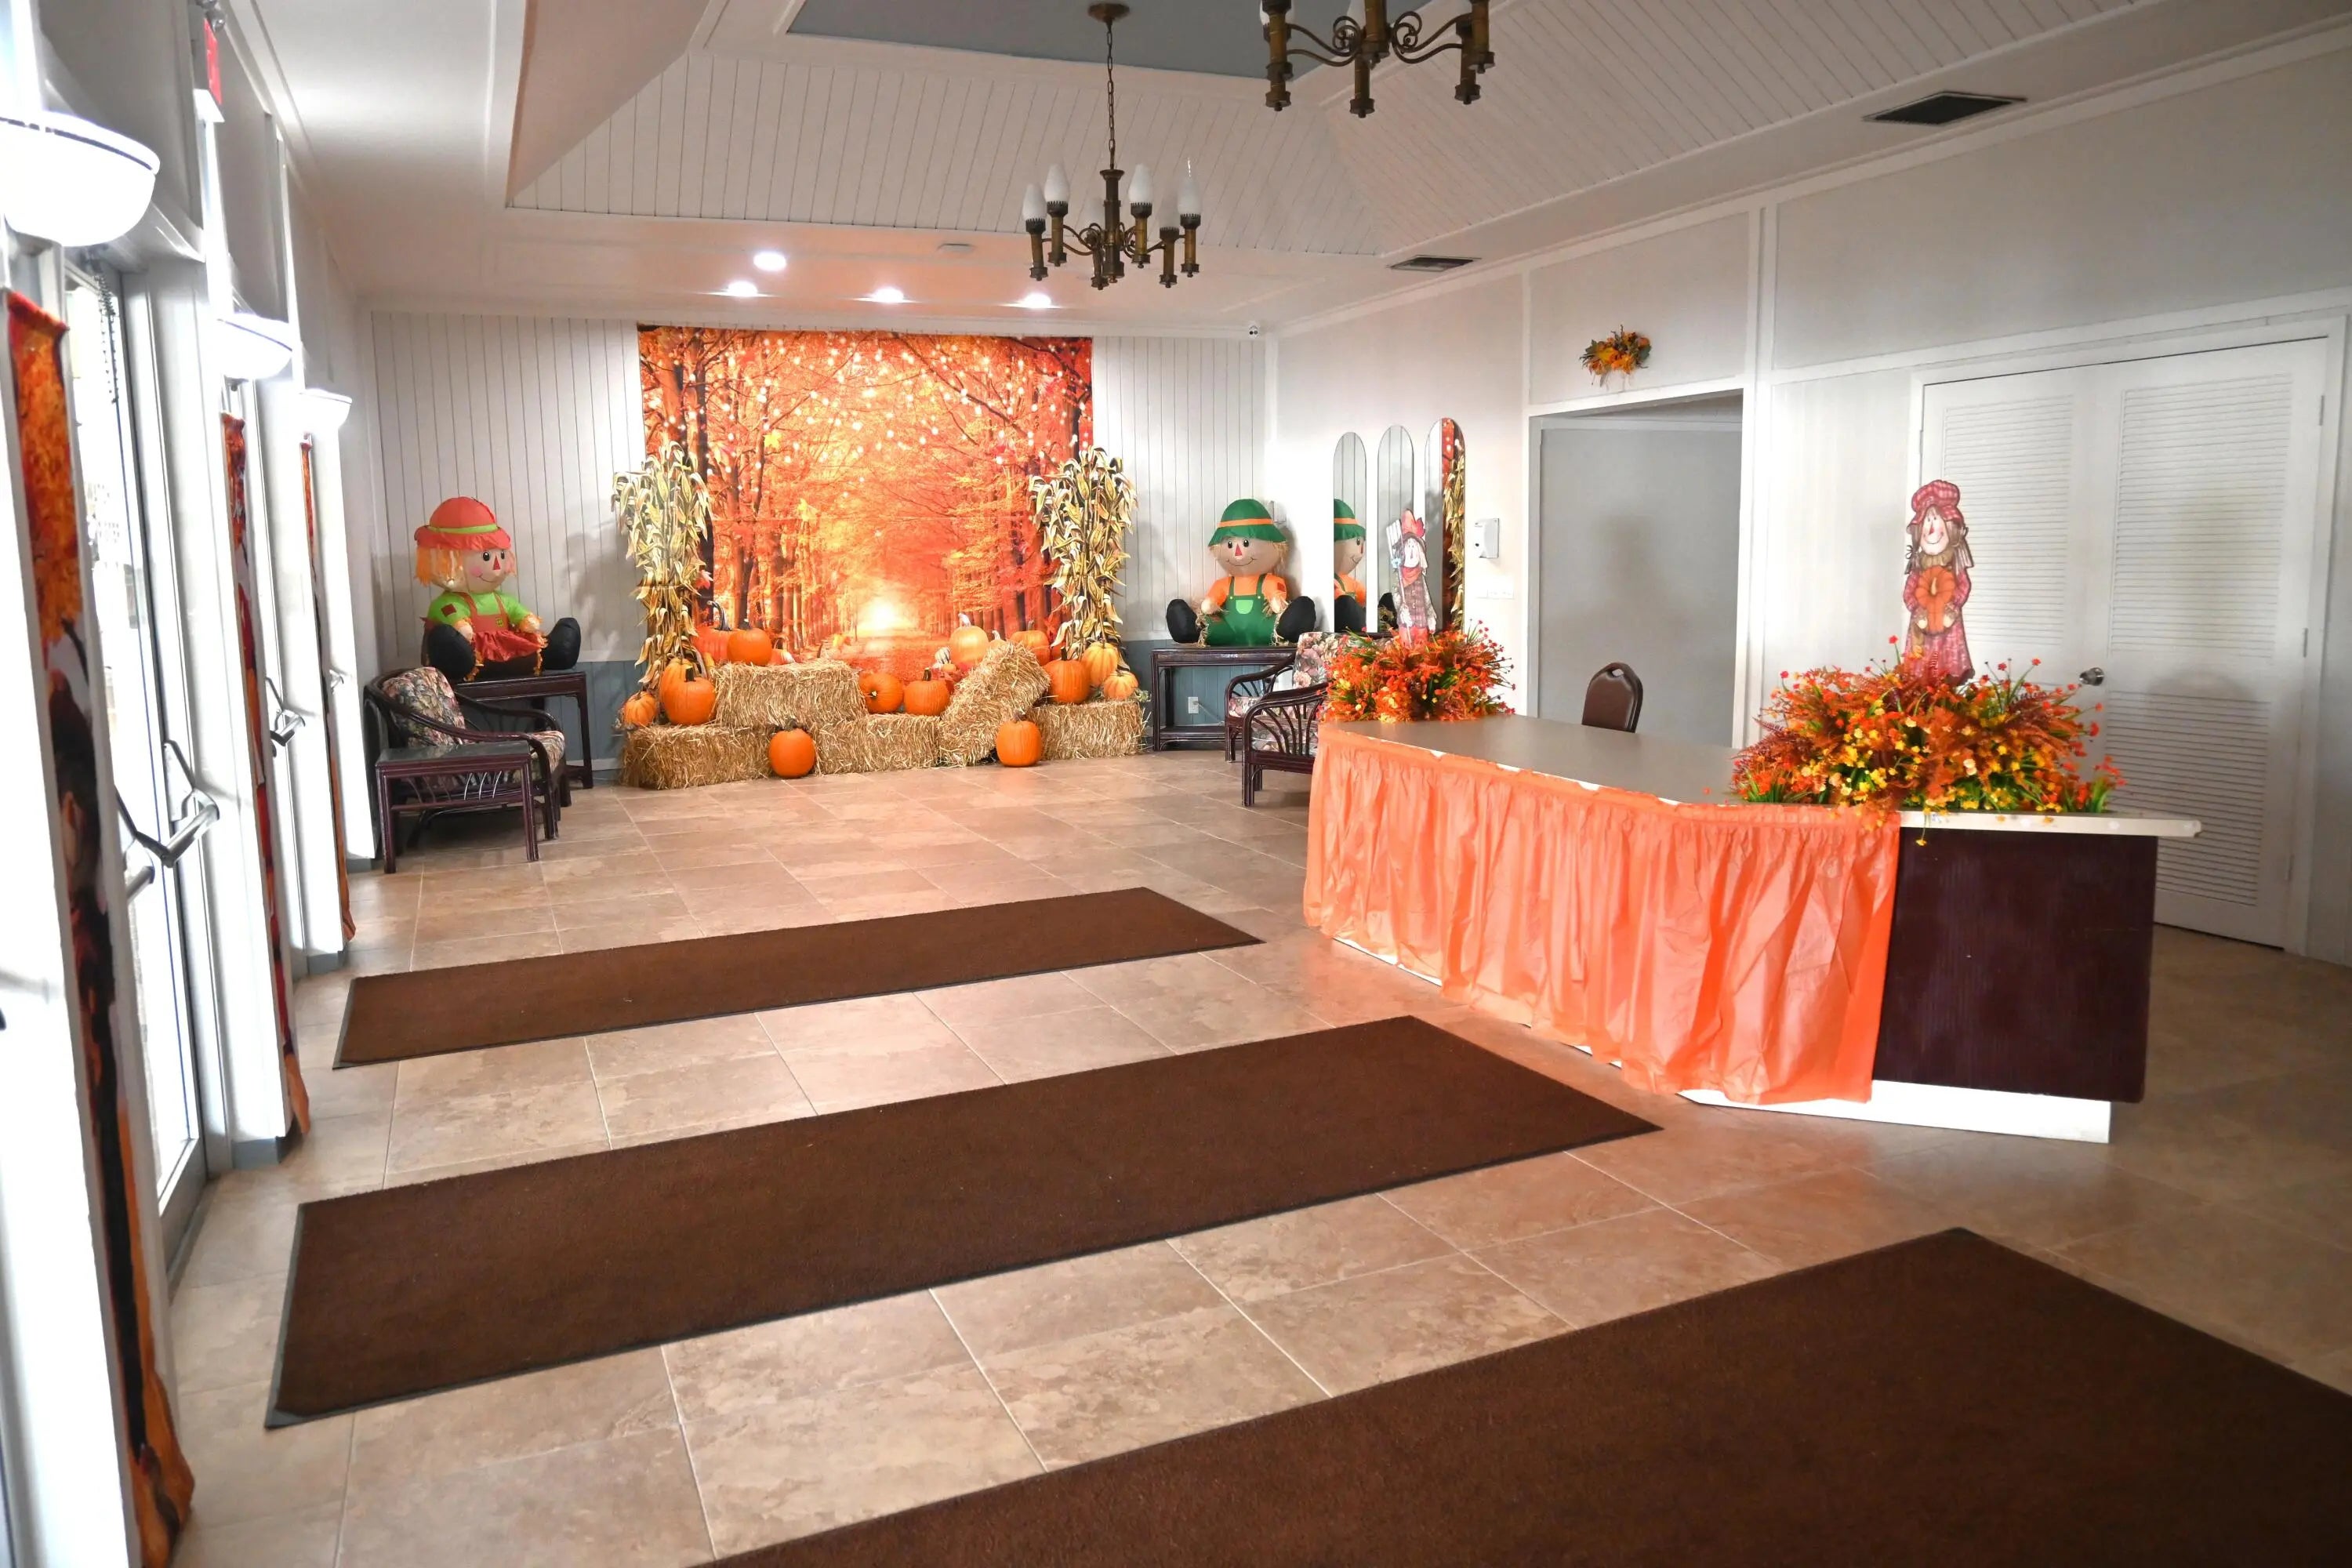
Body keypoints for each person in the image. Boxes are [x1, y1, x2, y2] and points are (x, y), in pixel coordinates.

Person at [414, 497, 581, 681]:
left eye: (501, 555)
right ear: (448, 561)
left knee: (537, 646)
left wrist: (526, 620)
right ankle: (458, 660)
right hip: (474, 657)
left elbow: (520, 615)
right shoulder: (449, 602)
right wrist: (460, 626)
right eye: (486, 557)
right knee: (446, 640)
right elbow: (453, 619)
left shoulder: (503, 599)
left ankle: (554, 653)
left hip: (508, 651)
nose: (496, 567)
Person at [1901, 478, 1973, 683]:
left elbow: (1964, 585)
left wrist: (1953, 605)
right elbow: (1909, 592)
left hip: (1947, 621)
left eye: (1937, 520)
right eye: (1927, 522)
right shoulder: (1919, 565)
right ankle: (1919, 691)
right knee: (1921, 663)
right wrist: (1916, 609)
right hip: (1922, 623)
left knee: (1945, 664)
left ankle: (1945, 692)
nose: (1931, 529)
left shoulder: (1954, 563)